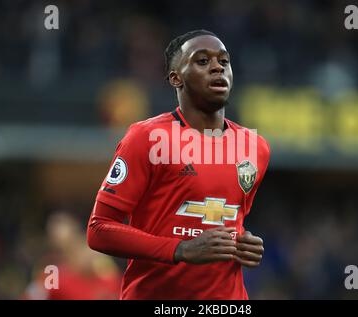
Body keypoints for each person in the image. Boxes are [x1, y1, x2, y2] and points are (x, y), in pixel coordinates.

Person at [87, 29, 270, 299]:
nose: (218, 67)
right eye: (203, 61)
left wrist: (243, 244)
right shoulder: (146, 138)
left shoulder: (256, 147)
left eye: (224, 61)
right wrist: (179, 249)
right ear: (176, 78)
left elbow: (230, 221)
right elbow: (99, 230)